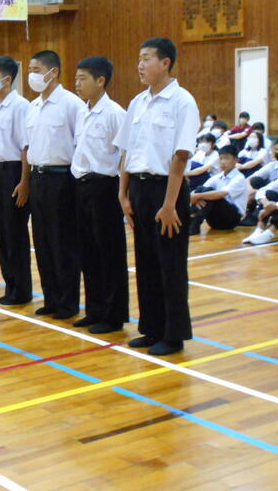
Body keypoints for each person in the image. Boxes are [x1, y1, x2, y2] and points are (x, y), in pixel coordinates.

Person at [114, 37, 200, 356]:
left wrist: (169, 204)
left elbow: (180, 156)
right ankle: (151, 328)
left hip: (167, 191)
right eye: (139, 59)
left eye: (146, 58)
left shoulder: (182, 101)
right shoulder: (137, 103)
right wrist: (123, 194)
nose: (140, 65)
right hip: (139, 189)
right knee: (146, 263)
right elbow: (127, 150)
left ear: (165, 63)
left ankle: (173, 335)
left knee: (170, 265)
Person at [71, 56, 129, 333]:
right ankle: (94, 309)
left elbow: (125, 155)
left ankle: (113, 315)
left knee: (109, 253)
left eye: (82, 78)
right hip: (81, 186)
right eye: (76, 78)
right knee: (88, 252)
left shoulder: (114, 113)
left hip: (105, 188)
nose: (77, 83)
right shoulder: (83, 112)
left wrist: (122, 193)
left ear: (101, 81)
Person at [25, 50, 84, 319]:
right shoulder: (33, 106)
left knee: (63, 243)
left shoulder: (71, 104)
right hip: (38, 176)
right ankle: (50, 297)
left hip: (61, 178)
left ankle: (67, 303)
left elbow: (79, 144)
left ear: (54, 72)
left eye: (36, 70)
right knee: (43, 241)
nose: (32, 75)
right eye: (30, 70)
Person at [0, 55, 32, 306]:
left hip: (12, 173)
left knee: (14, 234)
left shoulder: (20, 106)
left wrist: (24, 182)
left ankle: (22, 290)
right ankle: (10, 285)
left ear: (7, 79)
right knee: (0, 233)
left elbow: (25, 147)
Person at [189, 146, 247, 235]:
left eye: (226, 158)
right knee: (201, 189)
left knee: (210, 192)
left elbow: (221, 194)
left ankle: (195, 223)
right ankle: (192, 219)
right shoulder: (218, 176)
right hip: (214, 220)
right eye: (220, 159)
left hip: (231, 220)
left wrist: (196, 196)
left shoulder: (239, 178)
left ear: (236, 160)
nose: (222, 162)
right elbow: (200, 189)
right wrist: (194, 196)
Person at [241, 136, 278, 226]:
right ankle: (251, 212)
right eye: (276, 149)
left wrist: (259, 193)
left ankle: (258, 217)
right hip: (266, 193)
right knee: (255, 181)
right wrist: (250, 190)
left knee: (270, 192)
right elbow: (249, 178)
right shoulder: (272, 165)